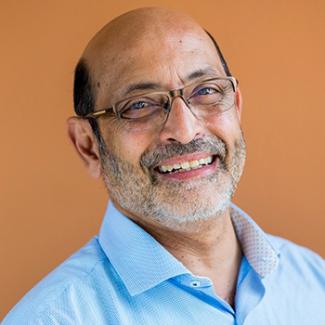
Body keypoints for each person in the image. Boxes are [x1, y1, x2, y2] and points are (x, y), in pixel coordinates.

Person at [3, 7, 325, 325]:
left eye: (206, 91)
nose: (185, 131)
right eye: (139, 105)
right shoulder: (53, 319)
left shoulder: (315, 283)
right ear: (89, 146)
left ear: (236, 107)